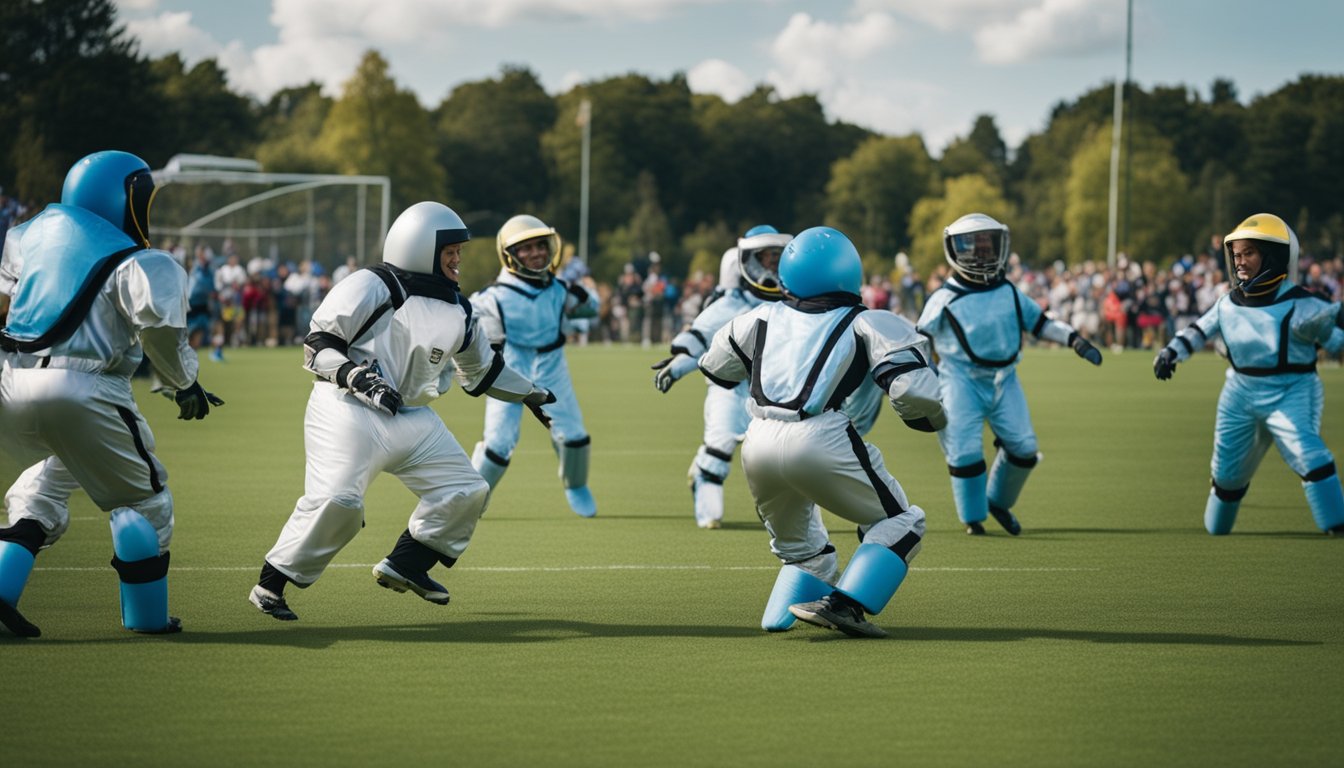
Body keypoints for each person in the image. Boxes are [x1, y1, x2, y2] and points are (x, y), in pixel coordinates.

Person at [248, 202, 554, 621]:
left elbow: (483, 371)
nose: (458, 257)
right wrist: (358, 378)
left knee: (468, 491)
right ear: (421, 246)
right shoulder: (374, 284)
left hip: (411, 417)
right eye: (451, 250)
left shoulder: (460, 308)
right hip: (347, 410)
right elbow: (318, 344)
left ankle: (406, 565)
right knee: (339, 501)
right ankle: (271, 585)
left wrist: (531, 393)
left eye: (459, 251)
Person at [0, 150, 223, 638]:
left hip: (11, 382)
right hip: (85, 386)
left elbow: (4, 307)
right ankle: (146, 618)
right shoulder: (137, 260)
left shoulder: (25, 237)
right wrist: (184, 384)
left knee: (47, 482)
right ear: (123, 197)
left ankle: (1, 584)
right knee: (145, 504)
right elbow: (161, 334)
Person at [698, 226, 946, 638]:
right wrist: (926, 418)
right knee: (903, 521)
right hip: (818, 435)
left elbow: (717, 366)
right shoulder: (865, 320)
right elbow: (914, 390)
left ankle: (779, 616)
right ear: (850, 272)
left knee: (802, 549)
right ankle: (846, 605)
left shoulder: (759, 316)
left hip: (756, 440)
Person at [1153, 213, 1344, 535]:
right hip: (1240, 393)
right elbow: (1199, 330)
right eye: (1237, 254)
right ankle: (1219, 526)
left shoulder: (1305, 305)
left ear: (1273, 256)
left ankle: (1337, 525)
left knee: (1309, 455)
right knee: (1226, 477)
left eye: (1249, 253)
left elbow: (1336, 340)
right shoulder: (1228, 303)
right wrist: (1171, 352)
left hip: (1292, 389)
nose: (1240, 262)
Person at [917, 213, 1103, 536]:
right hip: (959, 381)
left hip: (1005, 379)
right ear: (955, 249)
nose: (982, 252)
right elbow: (918, 341)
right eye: (973, 246)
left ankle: (998, 501)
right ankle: (973, 518)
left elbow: (1039, 322)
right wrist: (921, 381)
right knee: (965, 453)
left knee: (1025, 448)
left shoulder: (1008, 291)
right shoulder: (944, 299)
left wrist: (1074, 340)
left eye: (988, 244)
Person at [651, 225, 791, 528]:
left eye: (778, 257)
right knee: (720, 446)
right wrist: (679, 364)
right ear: (749, 261)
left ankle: (775, 510)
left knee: (778, 454)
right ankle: (704, 478)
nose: (773, 264)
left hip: (772, 390)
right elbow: (701, 339)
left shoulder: (792, 304)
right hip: (728, 385)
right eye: (767, 257)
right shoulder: (730, 304)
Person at [468, 214, 601, 517]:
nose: (536, 253)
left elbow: (591, 307)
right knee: (498, 445)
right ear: (509, 255)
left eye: (540, 246)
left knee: (575, 438)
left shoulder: (559, 289)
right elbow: (467, 334)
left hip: (553, 369)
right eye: (525, 249)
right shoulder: (492, 298)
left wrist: (583, 292)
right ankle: (469, 499)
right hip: (508, 371)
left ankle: (576, 485)